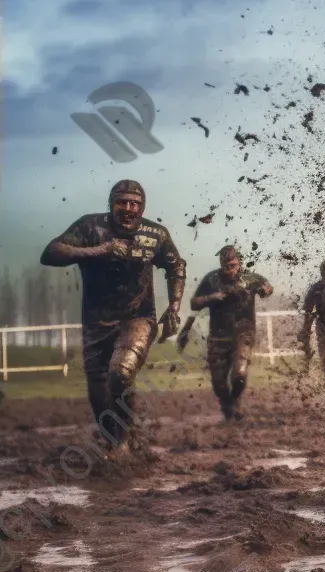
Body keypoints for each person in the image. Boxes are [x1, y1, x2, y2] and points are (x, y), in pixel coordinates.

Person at [40, 179, 184, 456]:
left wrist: (175, 306)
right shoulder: (90, 226)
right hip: (96, 322)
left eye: (135, 204)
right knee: (99, 387)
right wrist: (98, 251)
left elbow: (176, 266)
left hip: (138, 318)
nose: (129, 209)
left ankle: (124, 440)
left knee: (121, 372)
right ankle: (114, 441)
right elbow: (51, 253)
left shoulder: (155, 234)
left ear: (142, 207)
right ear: (112, 204)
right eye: (122, 202)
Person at [188, 246, 272, 421]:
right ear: (221, 264)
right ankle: (227, 405)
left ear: (239, 263)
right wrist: (212, 297)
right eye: (226, 265)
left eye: (233, 265)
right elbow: (194, 303)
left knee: (240, 373)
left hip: (244, 333)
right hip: (218, 335)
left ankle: (235, 400)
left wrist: (266, 289)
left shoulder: (250, 278)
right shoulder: (211, 279)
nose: (230, 269)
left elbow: (267, 289)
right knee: (218, 382)